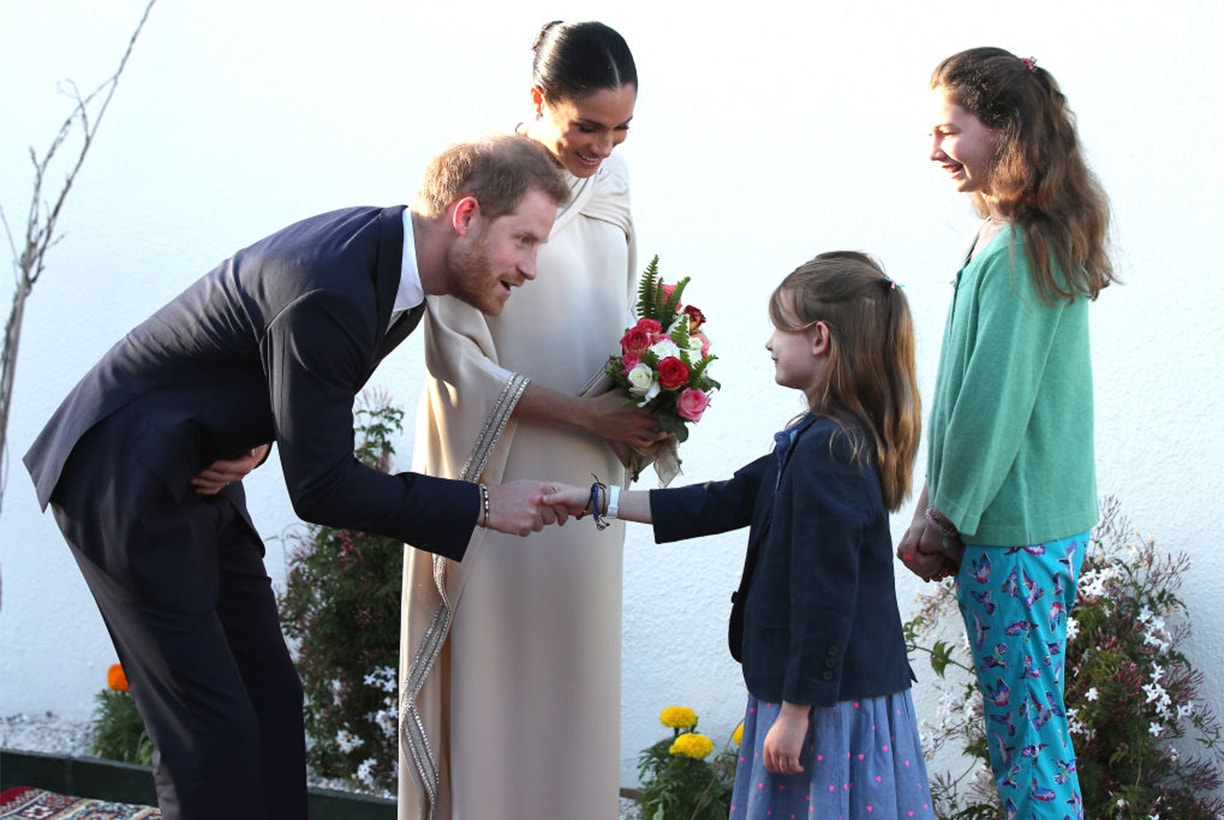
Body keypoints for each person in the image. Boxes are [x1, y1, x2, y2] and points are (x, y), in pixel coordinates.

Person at [23, 134, 573, 820]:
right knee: (209, 734)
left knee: (271, 699)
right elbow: (322, 488)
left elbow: (276, 377)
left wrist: (254, 441)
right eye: (523, 240)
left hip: (199, 469)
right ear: (465, 216)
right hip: (121, 478)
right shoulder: (335, 285)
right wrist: (483, 503)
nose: (531, 267)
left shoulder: (394, 269)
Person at [545, 252, 935, 818]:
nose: (770, 342)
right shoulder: (817, 440)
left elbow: (826, 594)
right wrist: (595, 499)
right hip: (826, 694)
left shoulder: (829, 451)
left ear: (820, 338)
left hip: (826, 705)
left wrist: (797, 713)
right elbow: (721, 501)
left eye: (781, 326)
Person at [397, 20, 656, 820]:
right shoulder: (475, 185)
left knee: (575, 675)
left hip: (591, 485)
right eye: (586, 126)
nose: (601, 147)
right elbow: (457, 364)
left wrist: (654, 394)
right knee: (497, 675)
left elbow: (622, 317)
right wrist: (586, 413)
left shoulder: (611, 188)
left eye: (620, 130)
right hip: (495, 475)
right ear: (540, 100)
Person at [897, 47, 1116, 818]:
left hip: (1013, 529)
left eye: (948, 130)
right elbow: (963, 393)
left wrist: (947, 517)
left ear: (1003, 129)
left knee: (1027, 740)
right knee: (1029, 732)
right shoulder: (1007, 235)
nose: (933, 149)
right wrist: (933, 501)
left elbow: (994, 404)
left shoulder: (1023, 246)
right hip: (1014, 525)